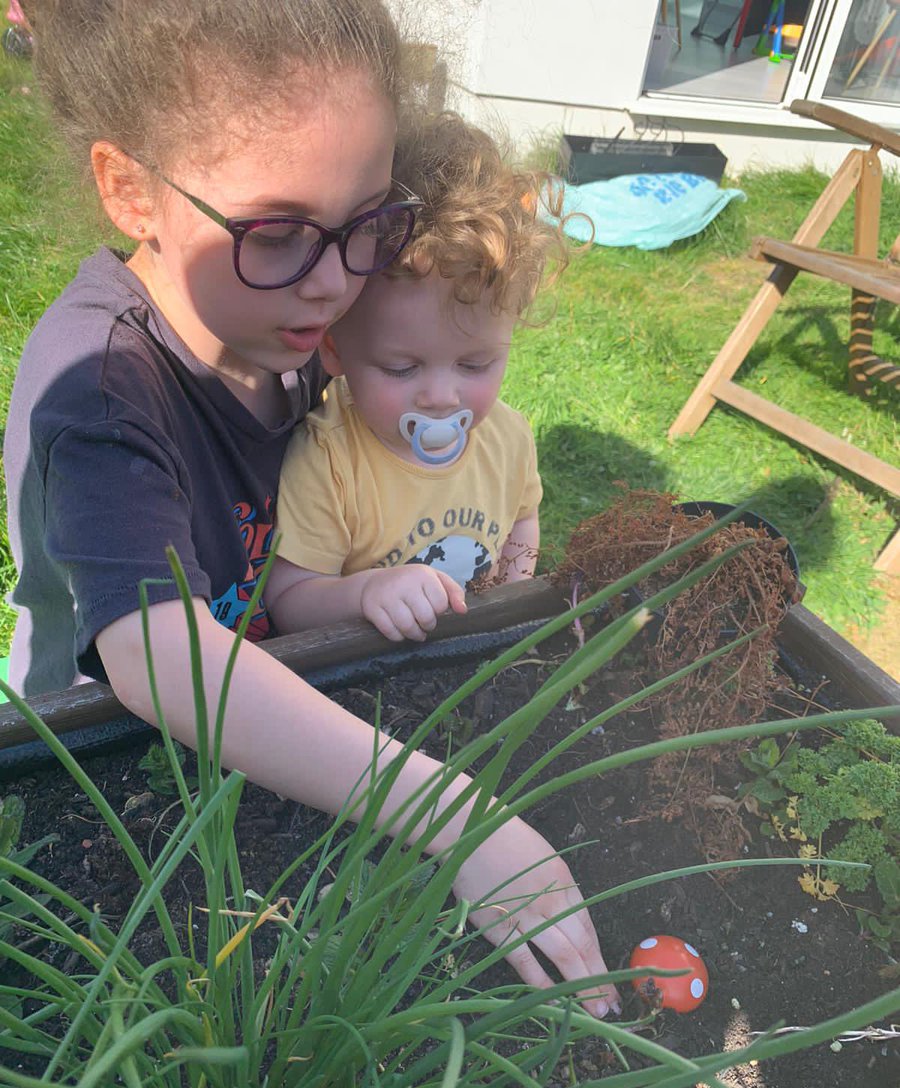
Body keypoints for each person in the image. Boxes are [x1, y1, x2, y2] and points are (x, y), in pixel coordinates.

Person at [3, 0, 620, 1017]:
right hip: (92, 778)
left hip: (266, 723)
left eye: (364, 222)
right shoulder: (100, 382)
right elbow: (162, 661)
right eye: (280, 231)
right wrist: (457, 816)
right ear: (130, 190)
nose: (335, 284)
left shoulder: (274, 330)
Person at [268, 111, 556, 644]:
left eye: (475, 364)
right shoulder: (330, 460)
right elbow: (288, 599)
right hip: (374, 688)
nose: (442, 397)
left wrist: (516, 603)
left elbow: (522, 521)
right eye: (401, 368)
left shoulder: (508, 438)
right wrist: (366, 593)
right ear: (333, 346)